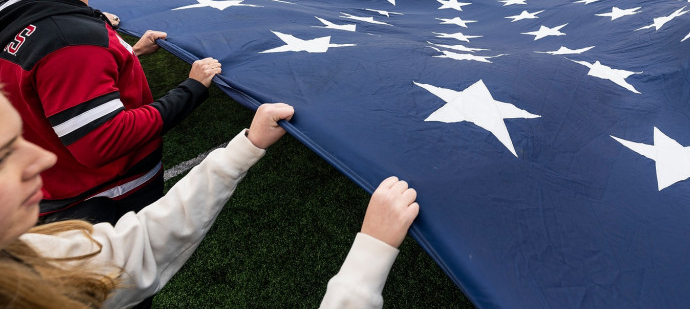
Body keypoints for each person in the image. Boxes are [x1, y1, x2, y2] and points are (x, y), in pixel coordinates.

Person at [0, 95, 421, 308]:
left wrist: (245, 148)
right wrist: (369, 257)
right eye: (5, 153)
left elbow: (137, 246)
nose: (43, 157)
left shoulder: (25, 259)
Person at [0, 0, 221, 225]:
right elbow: (104, 141)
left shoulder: (19, 11)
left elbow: (52, 81)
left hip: (57, 183)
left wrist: (129, 54)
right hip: (105, 195)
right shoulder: (73, 39)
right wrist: (193, 87)